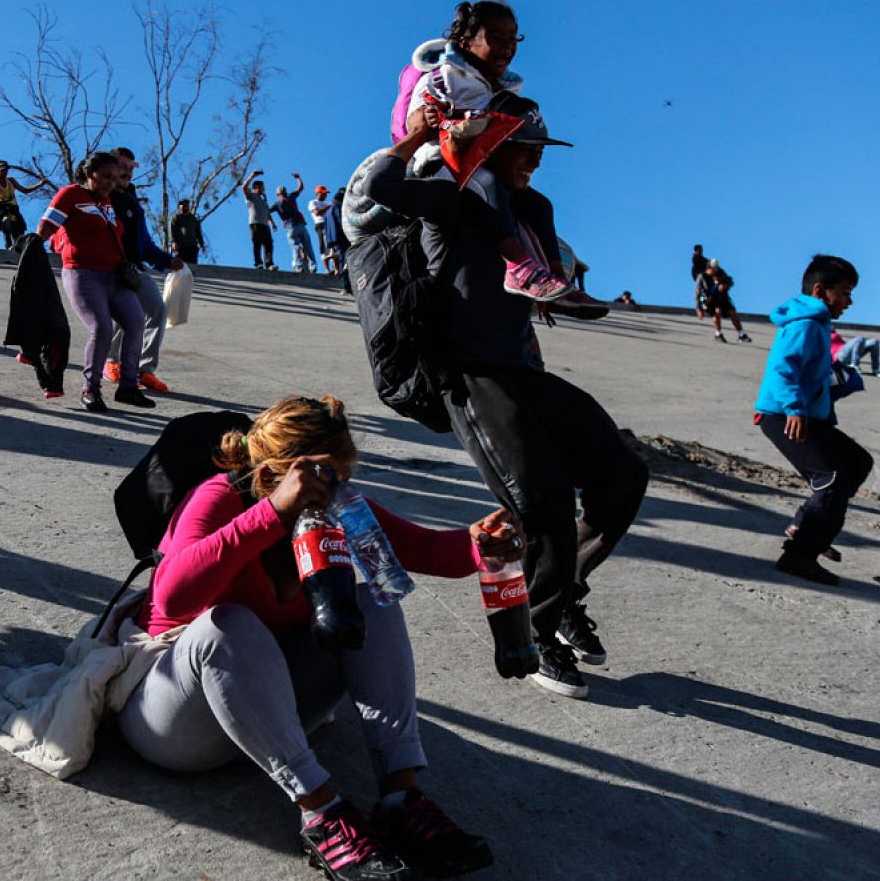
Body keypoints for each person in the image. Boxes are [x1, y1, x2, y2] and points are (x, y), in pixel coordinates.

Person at [120, 395, 516, 881]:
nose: (337, 494)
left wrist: (479, 543)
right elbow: (172, 598)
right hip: (175, 722)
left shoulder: (337, 504)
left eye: (343, 478)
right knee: (227, 622)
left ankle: (400, 798)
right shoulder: (219, 498)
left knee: (372, 592)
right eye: (325, 481)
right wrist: (271, 516)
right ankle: (322, 813)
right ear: (272, 479)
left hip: (268, 715)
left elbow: (426, 548)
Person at [364, 97, 650, 699]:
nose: (535, 164)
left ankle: (564, 592)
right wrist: (415, 137)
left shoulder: (531, 208)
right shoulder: (449, 199)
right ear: (491, 149)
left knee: (622, 474)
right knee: (540, 503)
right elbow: (380, 185)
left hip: (524, 370)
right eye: (524, 151)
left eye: (539, 153)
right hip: (472, 378)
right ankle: (541, 637)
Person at [394, 0, 607, 318]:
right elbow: (417, 123)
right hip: (443, 163)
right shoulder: (445, 76)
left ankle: (557, 281)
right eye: (495, 36)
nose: (507, 46)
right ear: (466, 42)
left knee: (539, 205)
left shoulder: (507, 87)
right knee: (490, 183)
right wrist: (431, 115)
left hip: (480, 163)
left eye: (513, 38)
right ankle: (519, 267)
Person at [755, 255, 871, 586]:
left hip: (806, 415)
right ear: (821, 290)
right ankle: (799, 556)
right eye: (845, 292)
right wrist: (793, 408)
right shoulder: (805, 323)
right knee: (832, 480)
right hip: (784, 416)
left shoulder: (818, 323)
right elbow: (782, 368)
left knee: (857, 462)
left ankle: (807, 528)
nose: (849, 301)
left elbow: (808, 372)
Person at [35, 151, 153, 413]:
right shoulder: (70, 195)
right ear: (90, 174)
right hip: (83, 274)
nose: (111, 183)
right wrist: (32, 245)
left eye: (115, 178)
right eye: (106, 177)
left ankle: (128, 387)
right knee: (101, 329)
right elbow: (48, 224)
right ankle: (91, 390)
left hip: (115, 276)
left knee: (135, 322)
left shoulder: (109, 203)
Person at [104, 147, 183, 394]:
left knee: (156, 310)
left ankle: (145, 369)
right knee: (123, 314)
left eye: (130, 168)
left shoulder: (132, 199)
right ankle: (111, 361)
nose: (126, 172)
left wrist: (166, 260)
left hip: (135, 268)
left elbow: (144, 242)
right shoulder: (102, 197)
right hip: (110, 266)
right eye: (121, 167)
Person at [0, 160, 45, 250]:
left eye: (6, 170)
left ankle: (19, 246)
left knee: (18, 227)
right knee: (5, 222)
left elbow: (25, 190)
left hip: (13, 208)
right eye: (2, 170)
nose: (4, 172)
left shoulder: (11, 181)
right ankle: (8, 245)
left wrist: (40, 184)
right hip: (0, 209)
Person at [271, 174, 316, 273]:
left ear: (278, 194)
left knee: (295, 247)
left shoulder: (277, 204)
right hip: (300, 224)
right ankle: (313, 266)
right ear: (285, 192)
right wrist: (298, 178)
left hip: (290, 227)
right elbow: (300, 188)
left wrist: (272, 223)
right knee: (308, 246)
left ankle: (299, 266)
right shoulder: (291, 196)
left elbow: (267, 212)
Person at [704, 261, 752, 343]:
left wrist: (726, 285)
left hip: (723, 298)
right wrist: (704, 302)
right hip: (711, 300)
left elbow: (730, 280)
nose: (716, 270)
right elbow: (700, 293)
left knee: (732, 312)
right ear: (709, 269)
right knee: (717, 311)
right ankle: (718, 334)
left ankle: (741, 334)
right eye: (714, 268)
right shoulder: (703, 277)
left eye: (717, 268)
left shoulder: (721, 272)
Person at [242, 169, 276, 270]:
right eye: (262, 187)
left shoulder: (263, 199)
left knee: (269, 243)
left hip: (265, 224)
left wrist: (272, 223)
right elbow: (244, 187)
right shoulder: (251, 196)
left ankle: (269, 263)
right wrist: (252, 176)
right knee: (257, 243)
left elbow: (267, 212)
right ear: (256, 187)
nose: (264, 189)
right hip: (255, 223)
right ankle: (258, 263)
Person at [168, 198, 205, 265]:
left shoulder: (193, 219)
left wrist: (202, 244)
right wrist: (173, 242)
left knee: (192, 267)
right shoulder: (176, 218)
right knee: (180, 267)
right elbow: (172, 231)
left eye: (185, 205)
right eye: (181, 205)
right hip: (180, 248)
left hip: (192, 247)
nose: (184, 206)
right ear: (179, 207)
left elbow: (198, 233)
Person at [691, 244, 709, 319]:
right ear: (697, 250)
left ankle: (703, 303)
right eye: (700, 249)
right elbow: (699, 263)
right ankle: (701, 305)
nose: (702, 250)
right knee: (701, 291)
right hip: (699, 276)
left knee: (703, 291)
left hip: (703, 276)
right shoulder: (696, 257)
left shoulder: (701, 258)